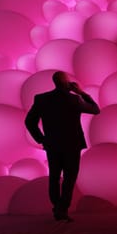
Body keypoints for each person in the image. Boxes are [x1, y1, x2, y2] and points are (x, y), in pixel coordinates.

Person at [25, 70, 100, 222]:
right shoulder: (74, 99)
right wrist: (81, 92)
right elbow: (95, 109)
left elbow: (29, 121)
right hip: (72, 144)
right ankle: (62, 209)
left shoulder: (42, 99)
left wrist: (41, 139)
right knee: (69, 178)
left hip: (52, 144)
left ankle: (57, 207)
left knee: (54, 177)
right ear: (66, 83)